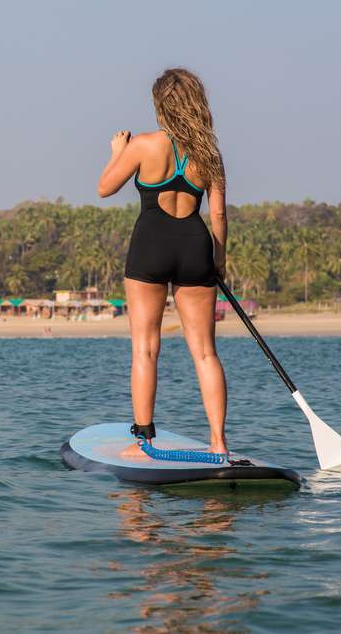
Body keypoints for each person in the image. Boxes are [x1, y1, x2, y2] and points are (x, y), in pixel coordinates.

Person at [97, 68, 229, 456]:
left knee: (145, 349)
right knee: (205, 352)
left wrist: (118, 152)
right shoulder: (210, 154)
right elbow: (218, 215)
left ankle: (144, 441)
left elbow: (104, 187)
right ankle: (218, 442)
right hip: (194, 248)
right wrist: (218, 261)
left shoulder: (144, 145)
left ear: (160, 106)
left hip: (151, 246)